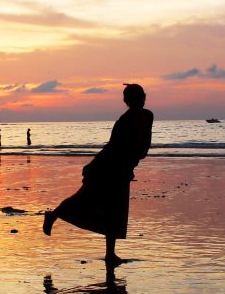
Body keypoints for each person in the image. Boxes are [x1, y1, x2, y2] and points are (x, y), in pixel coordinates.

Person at [43, 84, 153, 265]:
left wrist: (133, 162)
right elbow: (112, 147)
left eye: (140, 96)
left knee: (116, 211)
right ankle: (53, 216)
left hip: (123, 169)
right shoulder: (123, 121)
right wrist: (93, 164)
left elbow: (143, 145)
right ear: (127, 101)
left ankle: (110, 253)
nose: (138, 100)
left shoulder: (148, 116)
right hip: (107, 167)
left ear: (144, 96)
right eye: (134, 97)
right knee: (83, 198)